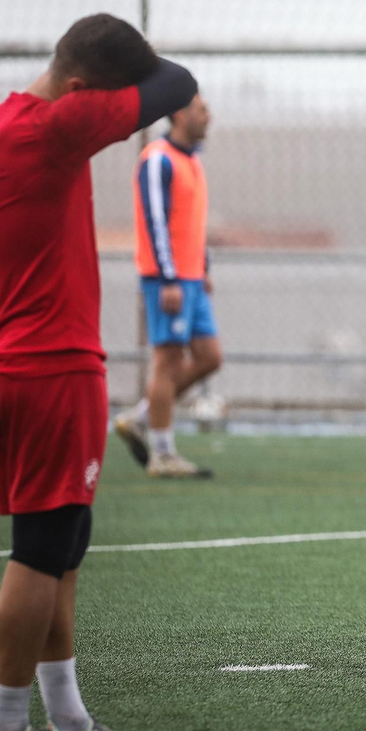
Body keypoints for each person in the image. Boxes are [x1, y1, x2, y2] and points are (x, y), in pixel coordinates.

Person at [0, 13, 197, 731]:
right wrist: (134, 78)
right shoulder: (51, 129)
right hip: (47, 367)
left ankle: (67, 720)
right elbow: (177, 84)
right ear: (78, 90)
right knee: (38, 550)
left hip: (6, 363)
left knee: (65, 544)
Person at [112, 92, 220, 478]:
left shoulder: (192, 159)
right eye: (201, 109)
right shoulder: (157, 158)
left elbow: (192, 222)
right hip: (168, 279)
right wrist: (169, 277)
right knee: (168, 362)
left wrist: (202, 265)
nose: (208, 116)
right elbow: (155, 222)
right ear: (178, 113)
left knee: (210, 356)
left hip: (191, 276)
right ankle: (162, 453)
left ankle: (141, 418)